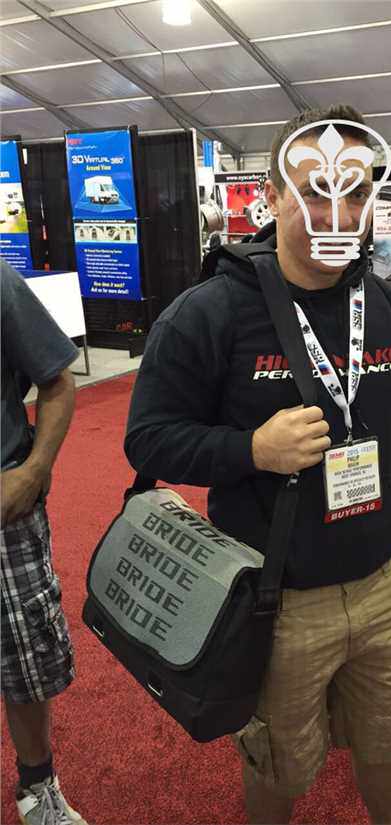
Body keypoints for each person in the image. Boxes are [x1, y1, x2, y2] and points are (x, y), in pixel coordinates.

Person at [125, 104, 391, 825]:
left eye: (355, 192)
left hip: (387, 583)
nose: (336, 214)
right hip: (275, 602)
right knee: (278, 764)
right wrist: (250, 450)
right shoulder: (209, 312)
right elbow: (147, 440)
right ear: (270, 197)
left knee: (387, 741)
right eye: (313, 192)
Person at [0, 260, 87, 825]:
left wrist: (33, 471)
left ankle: (38, 784)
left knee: (27, 662)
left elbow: (57, 380)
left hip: (4, 516)